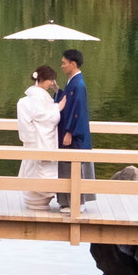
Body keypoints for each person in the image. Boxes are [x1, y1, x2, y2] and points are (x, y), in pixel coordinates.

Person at [14, 65, 61, 210]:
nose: (51, 83)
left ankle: (35, 198)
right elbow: (45, 118)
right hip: (40, 140)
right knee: (39, 168)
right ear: (43, 79)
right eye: (50, 80)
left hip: (32, 139)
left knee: (32, 167)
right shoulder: (37, 98)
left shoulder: (30, 98)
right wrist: (58, 107)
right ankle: (37, 198)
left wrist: (57, 92)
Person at [54, 48, 93, 205]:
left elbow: (78, 111)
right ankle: (68, 202)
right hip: (68, 130)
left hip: (74, 134)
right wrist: (57, 90)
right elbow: (67, 100)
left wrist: (70, 131)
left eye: (64, 63)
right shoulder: (73, 82)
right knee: (66, 166)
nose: (62, 66)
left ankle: (77, 203)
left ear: (73, 64)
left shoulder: (78, 84)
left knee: (74, 167)